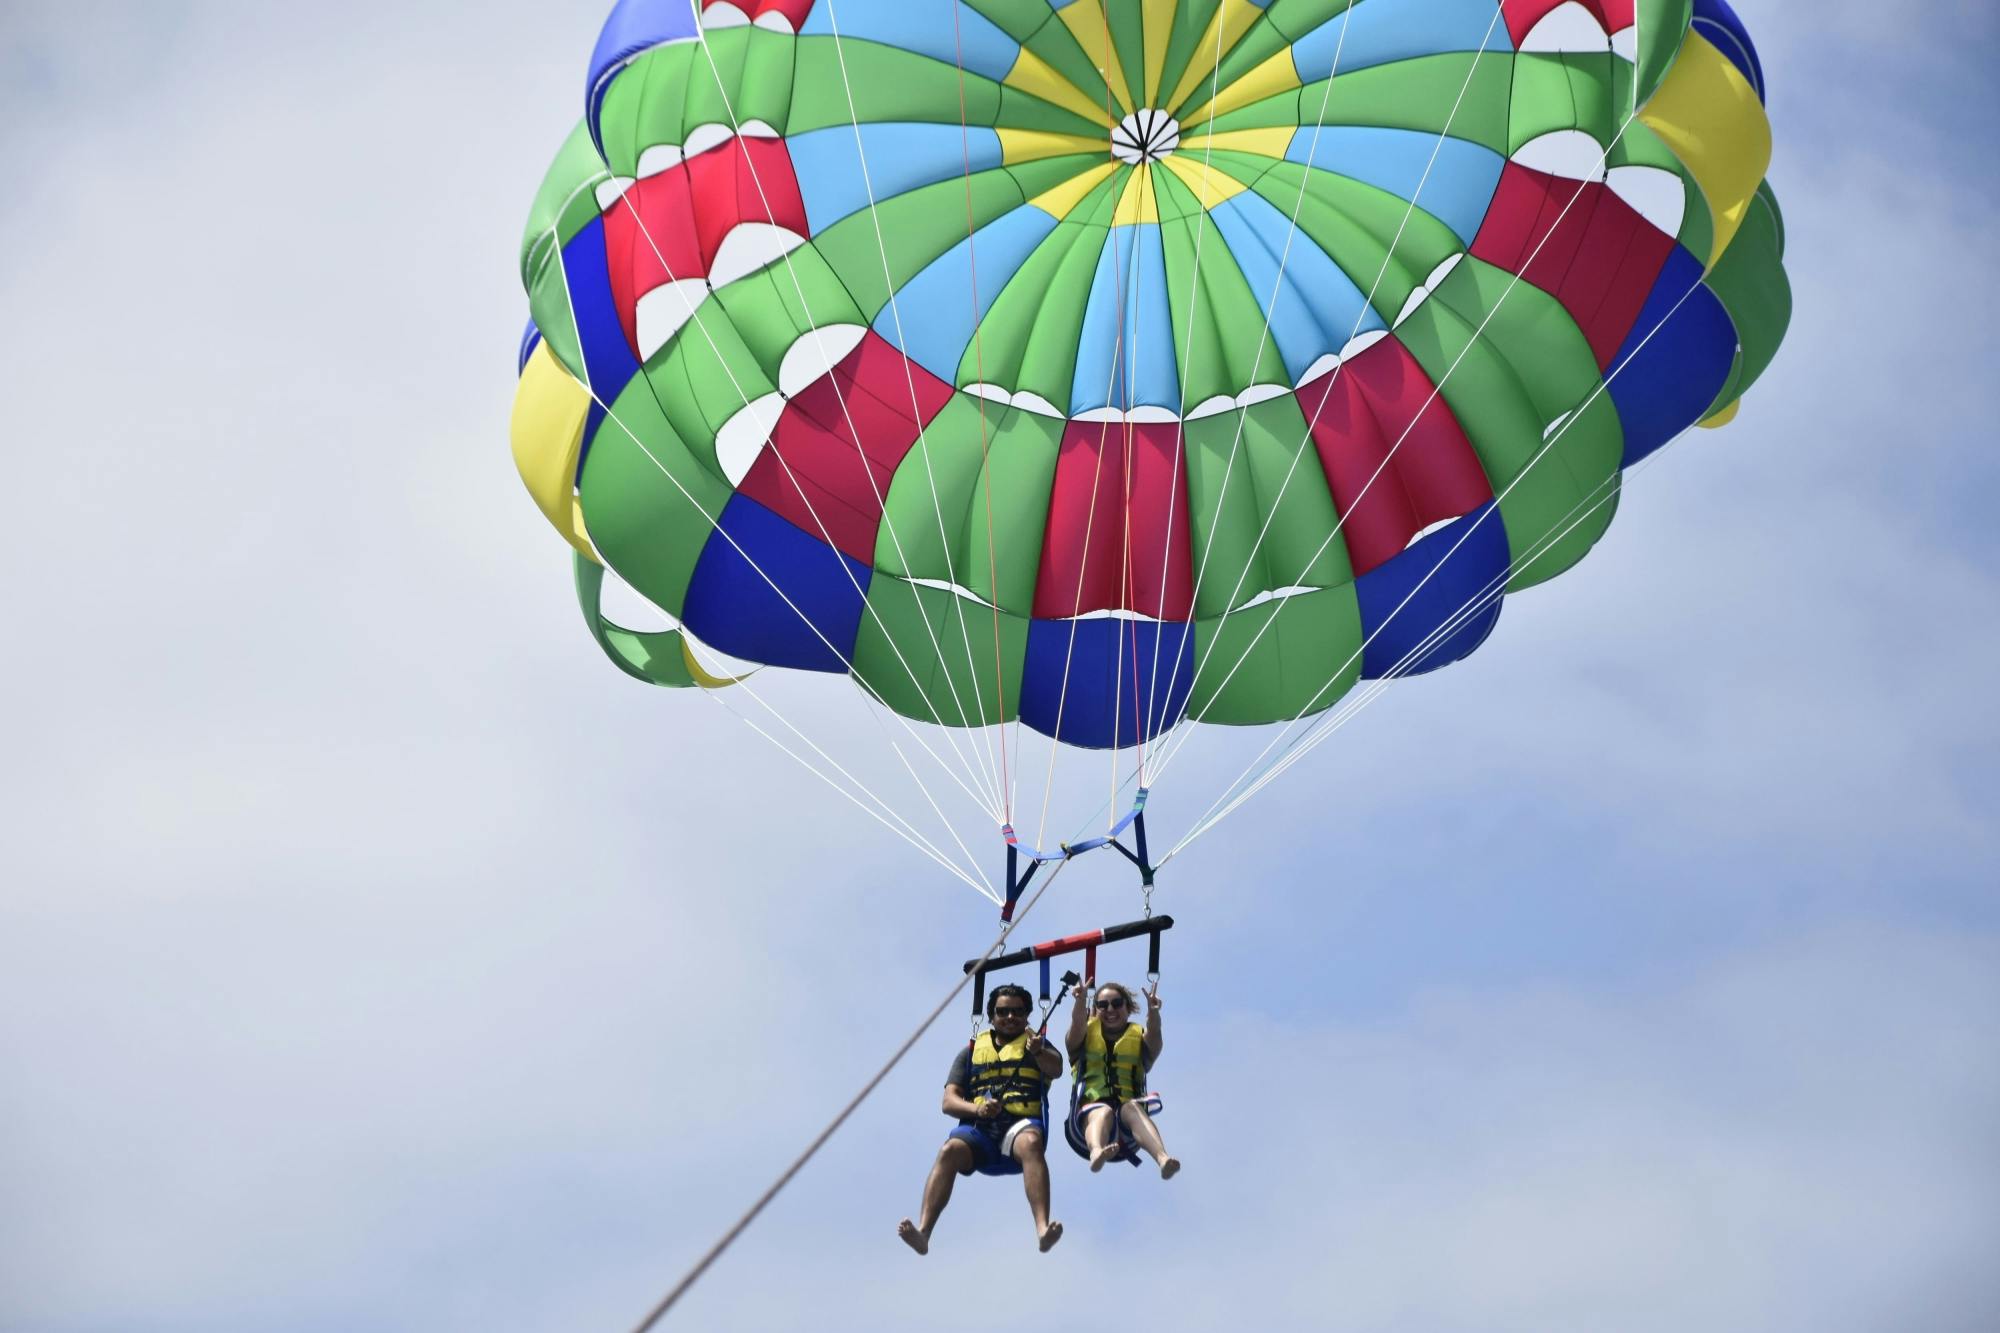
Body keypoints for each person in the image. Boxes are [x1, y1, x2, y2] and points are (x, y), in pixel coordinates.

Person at [898, 984, 1064, 1255]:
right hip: (980, 1132)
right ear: (991, 1016)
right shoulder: (971, 1052)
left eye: (1018, 1012)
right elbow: (949, 1102)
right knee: (949, 1149)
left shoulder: (1038, 1044)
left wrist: (1038, 1052)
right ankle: (924, 1232)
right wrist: (978, 1110)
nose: (1010, 1017)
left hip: (1019, 1128)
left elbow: (1056, 1068)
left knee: (1032, 1142)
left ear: (1027, 1016)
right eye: (1003, 1012)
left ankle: (1043, 1229)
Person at [1065, 977, 1179, 1178]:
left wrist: (1153, 1012)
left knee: (1131, 1108)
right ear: (1096, 1010)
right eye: (1102, 1005)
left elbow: (1154, 1035)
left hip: (1128, 1130)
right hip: (1085, 1121)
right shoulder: (1082, 1037)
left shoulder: (1139, 1037)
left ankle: (1162, 1159)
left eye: (1117, 1003)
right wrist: (1080, 1000)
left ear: (1128, 1008)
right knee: (1103, 1111)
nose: (1110, 1009)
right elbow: (1076, 1024)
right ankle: (1096, 1151)